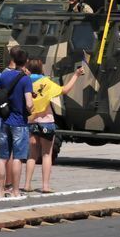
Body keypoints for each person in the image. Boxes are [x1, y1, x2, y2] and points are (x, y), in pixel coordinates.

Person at [23, 60, 84, 193]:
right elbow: (65, 90)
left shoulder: (26, 82)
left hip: (32, 121)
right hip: (47, 122)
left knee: (32, 155)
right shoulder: (46, 83)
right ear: (40, 69)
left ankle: (27, 184)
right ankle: (45, 186)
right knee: (46, 155)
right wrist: (76, 75)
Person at [0, 47, 33, 198]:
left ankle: (0, 191)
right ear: (26, 61)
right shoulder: (25, 79)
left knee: (2, 157)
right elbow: (29, 104)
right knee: (17, 157)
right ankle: (16, 191)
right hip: (19, 122)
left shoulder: (4, 76)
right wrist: (30, 108)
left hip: (5, 120)